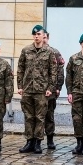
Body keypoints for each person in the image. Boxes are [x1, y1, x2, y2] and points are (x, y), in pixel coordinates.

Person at [17, 25, 56, 154]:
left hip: (41, 90)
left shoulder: (49, 52)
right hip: (28, 89)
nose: (36, 36)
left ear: (43, 35)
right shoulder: (26, 50)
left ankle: (38, 142)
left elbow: (53, 71)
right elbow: (20, 69)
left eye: (39, 34)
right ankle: (29, 141)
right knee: (28, 117)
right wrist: (20, 86)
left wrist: (50, 87)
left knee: (40, 117)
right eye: (34, 34)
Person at [43, 30, 66, 150]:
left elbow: (60, 71)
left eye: (45, 37)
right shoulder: (30, 52)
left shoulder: (54, 52)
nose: (43, 39)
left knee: (49, 116)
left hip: (50, 90)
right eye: (42, 37)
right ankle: (33, 140)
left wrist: (58, 87)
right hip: (35, 90)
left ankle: (50, 139)